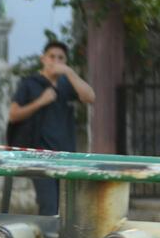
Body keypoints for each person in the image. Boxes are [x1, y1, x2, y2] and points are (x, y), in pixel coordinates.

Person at [6, 39, 96, 217]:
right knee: (49, 205)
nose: (56, 61)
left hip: (65, 155)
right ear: (43, 59)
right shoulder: (30, 83)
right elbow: (13, 114)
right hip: (39, 155)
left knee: (68, 209)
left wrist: (69, 72)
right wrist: (41, 101)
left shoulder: (66, 84)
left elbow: (90, 97)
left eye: (61, 58)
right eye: (52, 57)